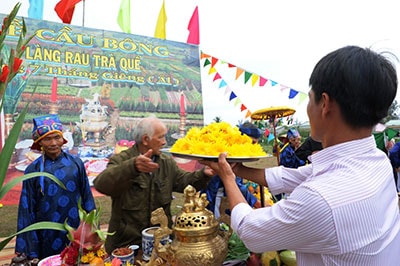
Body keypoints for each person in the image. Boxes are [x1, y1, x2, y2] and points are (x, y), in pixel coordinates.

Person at [201, 46, 400, 265]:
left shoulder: (321, 200)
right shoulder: (378, 161)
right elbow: (290, 176)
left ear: (325, 104)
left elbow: (250, 232)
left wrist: (228, 177)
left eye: (310, 98)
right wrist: (238, 169)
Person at [93, 116, 214, 254]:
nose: (164, 142)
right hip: (127, 247)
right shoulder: (122, 160)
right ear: (145, 140)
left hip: (161, 246)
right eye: (161, 137)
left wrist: (204, 173)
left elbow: (184, 182)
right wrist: (132, 167)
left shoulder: (165, 163)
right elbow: (101, 184)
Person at [15, 114, 96, 260]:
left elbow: (87, 198)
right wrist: (29, 248)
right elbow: (27, 209)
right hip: (46, 233)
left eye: (57, 137)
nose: (53, 143)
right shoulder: (32, 170)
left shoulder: (76, 164)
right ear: (39, 142)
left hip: (75, 230)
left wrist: (92, 227)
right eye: (47, 138)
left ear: (63, 139)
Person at [200, 121, 261, 218]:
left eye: (256, 143)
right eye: (252, 142)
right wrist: (255, 202)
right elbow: (236, 184)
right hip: (216, 195)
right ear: (242, 138)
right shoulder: (228, 152)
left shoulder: (239, 152)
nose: (254, 146)